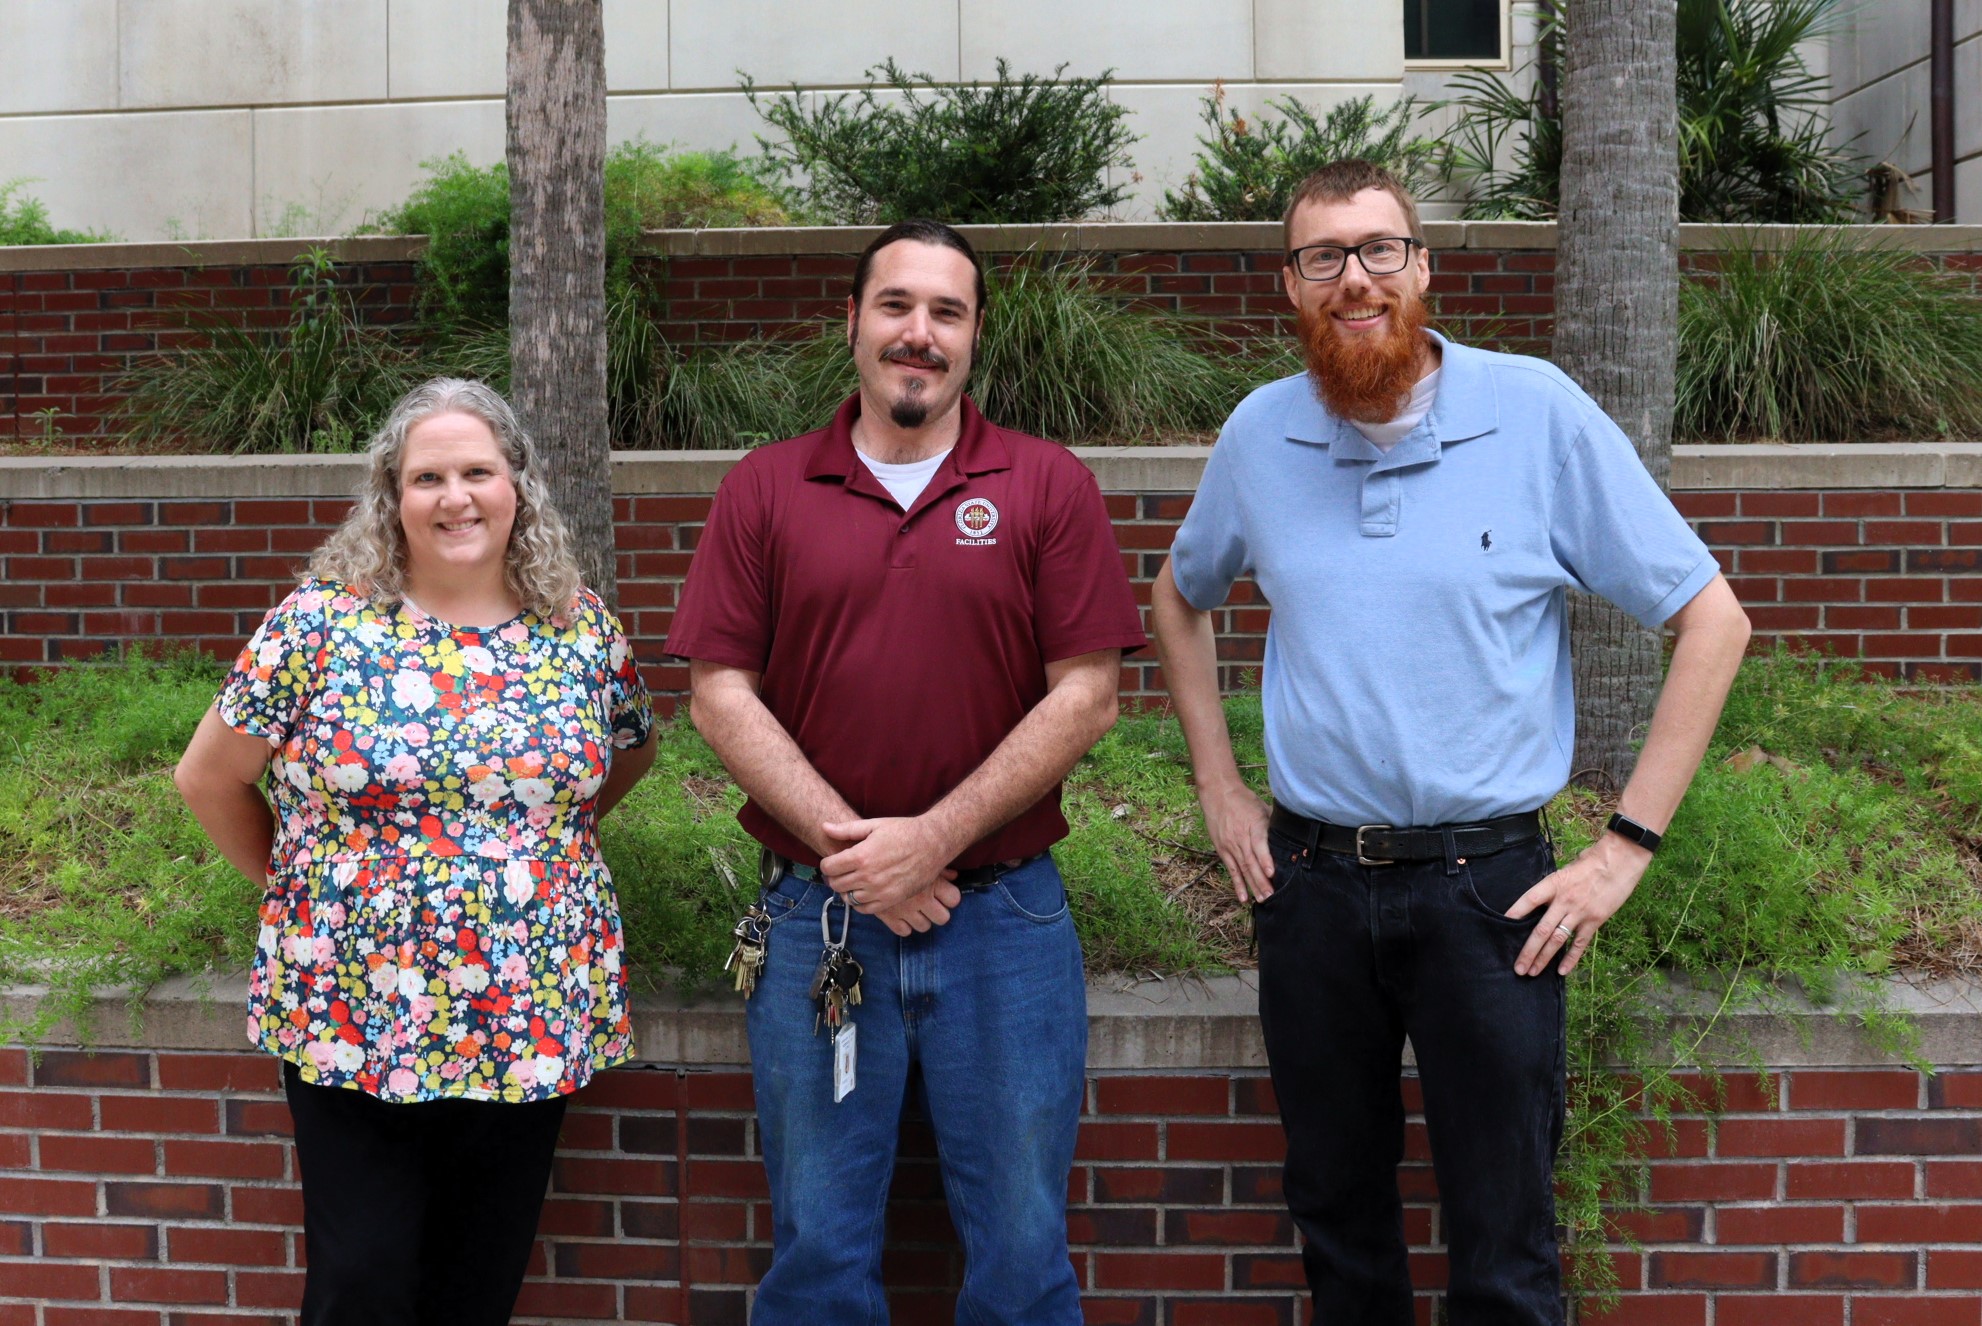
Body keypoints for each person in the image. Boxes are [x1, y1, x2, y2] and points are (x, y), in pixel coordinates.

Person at [1150, 160, 1752, 1325]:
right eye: (1321, 257)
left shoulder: (1531, 411)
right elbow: (1179, 597)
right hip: (1310, 889)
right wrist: (1219, 787)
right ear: (1290, 286)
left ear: (1422, 268)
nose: (1354, 279)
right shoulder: (1257, 435)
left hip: (1493, 899)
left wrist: (1623, 848)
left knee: (1502, 1241)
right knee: (1337, 1224)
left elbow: (1709, 619)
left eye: (1379, 250)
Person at [666, 219, 1146, 1325]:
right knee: (819, 1261)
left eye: (945, 312)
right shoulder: (766, 489)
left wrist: (929, 841)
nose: (917, 334)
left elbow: (1086, 693)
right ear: (852, 323)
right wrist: (861, 854)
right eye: (895, 307)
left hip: (1003, 926)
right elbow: (717, 695)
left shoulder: (1044, 484)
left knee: (1023, 1262)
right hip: (816, 928)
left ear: (975, 335)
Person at [173, 377, 657, 1326]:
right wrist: (302, 891)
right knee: (363, 1281)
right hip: (353, 1005)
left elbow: (626, 755)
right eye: (426, 476)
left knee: (478, 1282)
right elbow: (208, 777)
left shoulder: (580, 630)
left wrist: (541, 849)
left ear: (517, 484)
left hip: (528, 1004)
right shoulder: (318, 624)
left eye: (477, 470)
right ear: (392, 498)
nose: (455, 496)